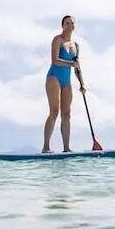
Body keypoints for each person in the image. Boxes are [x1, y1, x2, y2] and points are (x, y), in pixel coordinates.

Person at [42, 15, 86, 153]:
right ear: (62, 25)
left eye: (72, 23)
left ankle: (66, 148)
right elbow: (55, 60)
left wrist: (82, 84)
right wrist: (71, 64)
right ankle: (46, 147)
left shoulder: (76, 46)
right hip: (54, 77)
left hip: (67, 81)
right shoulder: (57, 40)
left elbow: (77, 67)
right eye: (67, 23)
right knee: (54, 111)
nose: (69, 25)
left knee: (66, 114)